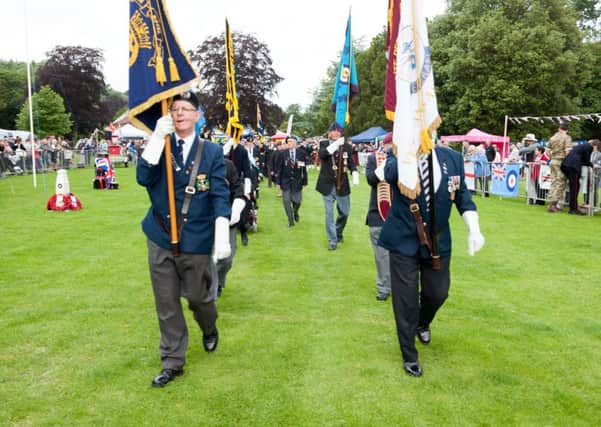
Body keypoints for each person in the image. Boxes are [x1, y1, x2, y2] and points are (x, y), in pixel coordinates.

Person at [136, 92, 231, 388]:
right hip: (160, 234)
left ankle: (209, 326)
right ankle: (173, 361)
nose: (179, 114)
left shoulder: (212, 151)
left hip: (197, 237)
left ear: (197, 115)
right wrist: (155, 140)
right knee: (166, 302)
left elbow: (218, 193)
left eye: (186, 109)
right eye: (174, 109)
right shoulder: (161, 145)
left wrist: (221, 228)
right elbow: (143, 178)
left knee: (198, 297)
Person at [378, 141, 485, 377]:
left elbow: (462, 195)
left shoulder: (452, 158)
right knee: (405, 300)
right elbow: (390, 173)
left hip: (437, 240)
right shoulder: (398, 155)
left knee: (438, 292)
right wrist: (408, 152)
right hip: (403, 239)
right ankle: (409, 354)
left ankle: (422, 322)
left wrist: (474, 229)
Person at [315, 122, 359, 250]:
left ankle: (338, 232)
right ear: (329, 133)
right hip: (327, 185)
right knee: (329, 214)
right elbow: (323, 155)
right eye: (333, 130)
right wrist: (335, 144)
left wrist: (354, 172)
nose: (336, 133)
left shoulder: (346, 146)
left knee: (345, 212)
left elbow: (351, 162)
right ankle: (332, 241)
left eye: (338, 131)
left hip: (342, 184)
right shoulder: (324, 143)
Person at [365, 132, 392, 301]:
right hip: (379, 213)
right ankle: (383, 287)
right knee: (381, 255)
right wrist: (384, 165)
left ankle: (399, 286)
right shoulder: (374, 159)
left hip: (400, 215)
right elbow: (370, 179)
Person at [278, 136, 308, 227]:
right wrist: (278, 183)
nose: (289, 143)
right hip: (285, 181)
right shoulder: (283, 154)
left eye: (291, 141)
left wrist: (305, 181)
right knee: (286, 201)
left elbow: (304, 168)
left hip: (297, 181)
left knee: (297, 201)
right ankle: (291, 221)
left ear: (295, 143)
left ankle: (295, 212)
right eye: (288, 142)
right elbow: (280, 168)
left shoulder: (301, 153)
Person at [560, 139, 593, 215]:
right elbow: (587, 161)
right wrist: (592, 165)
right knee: (574, 189)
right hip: (573, 167)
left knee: (574, 187)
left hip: (566, 165)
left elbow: (583, 160)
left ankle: (573, 207)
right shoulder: (589, 147)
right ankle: (573, 209)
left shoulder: (580, 146)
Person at [547, 122, 572, 213]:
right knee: (561, 182)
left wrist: (551, 157)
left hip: (553, 161)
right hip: (561, 161)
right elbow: (568, 151)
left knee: (553, 181)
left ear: (559, 129)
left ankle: (551, 202)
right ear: (567, 130)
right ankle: (553, 205)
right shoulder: (567, 138)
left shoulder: (552, 138)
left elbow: (547, 151)